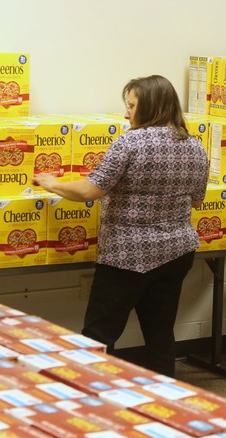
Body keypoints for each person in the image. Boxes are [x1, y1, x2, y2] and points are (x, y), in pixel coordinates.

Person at [33, 75, 208, 375]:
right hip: (177, 252)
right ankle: (164, 397)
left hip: (127, 255)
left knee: (99, 335)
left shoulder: (130, 142)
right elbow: (197, 201)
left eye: (132, 106)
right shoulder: (195, 147)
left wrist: (53, 184)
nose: (127, 114)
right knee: (160, 334)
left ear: (150, 106)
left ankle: (93, 392)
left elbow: (90, 191)